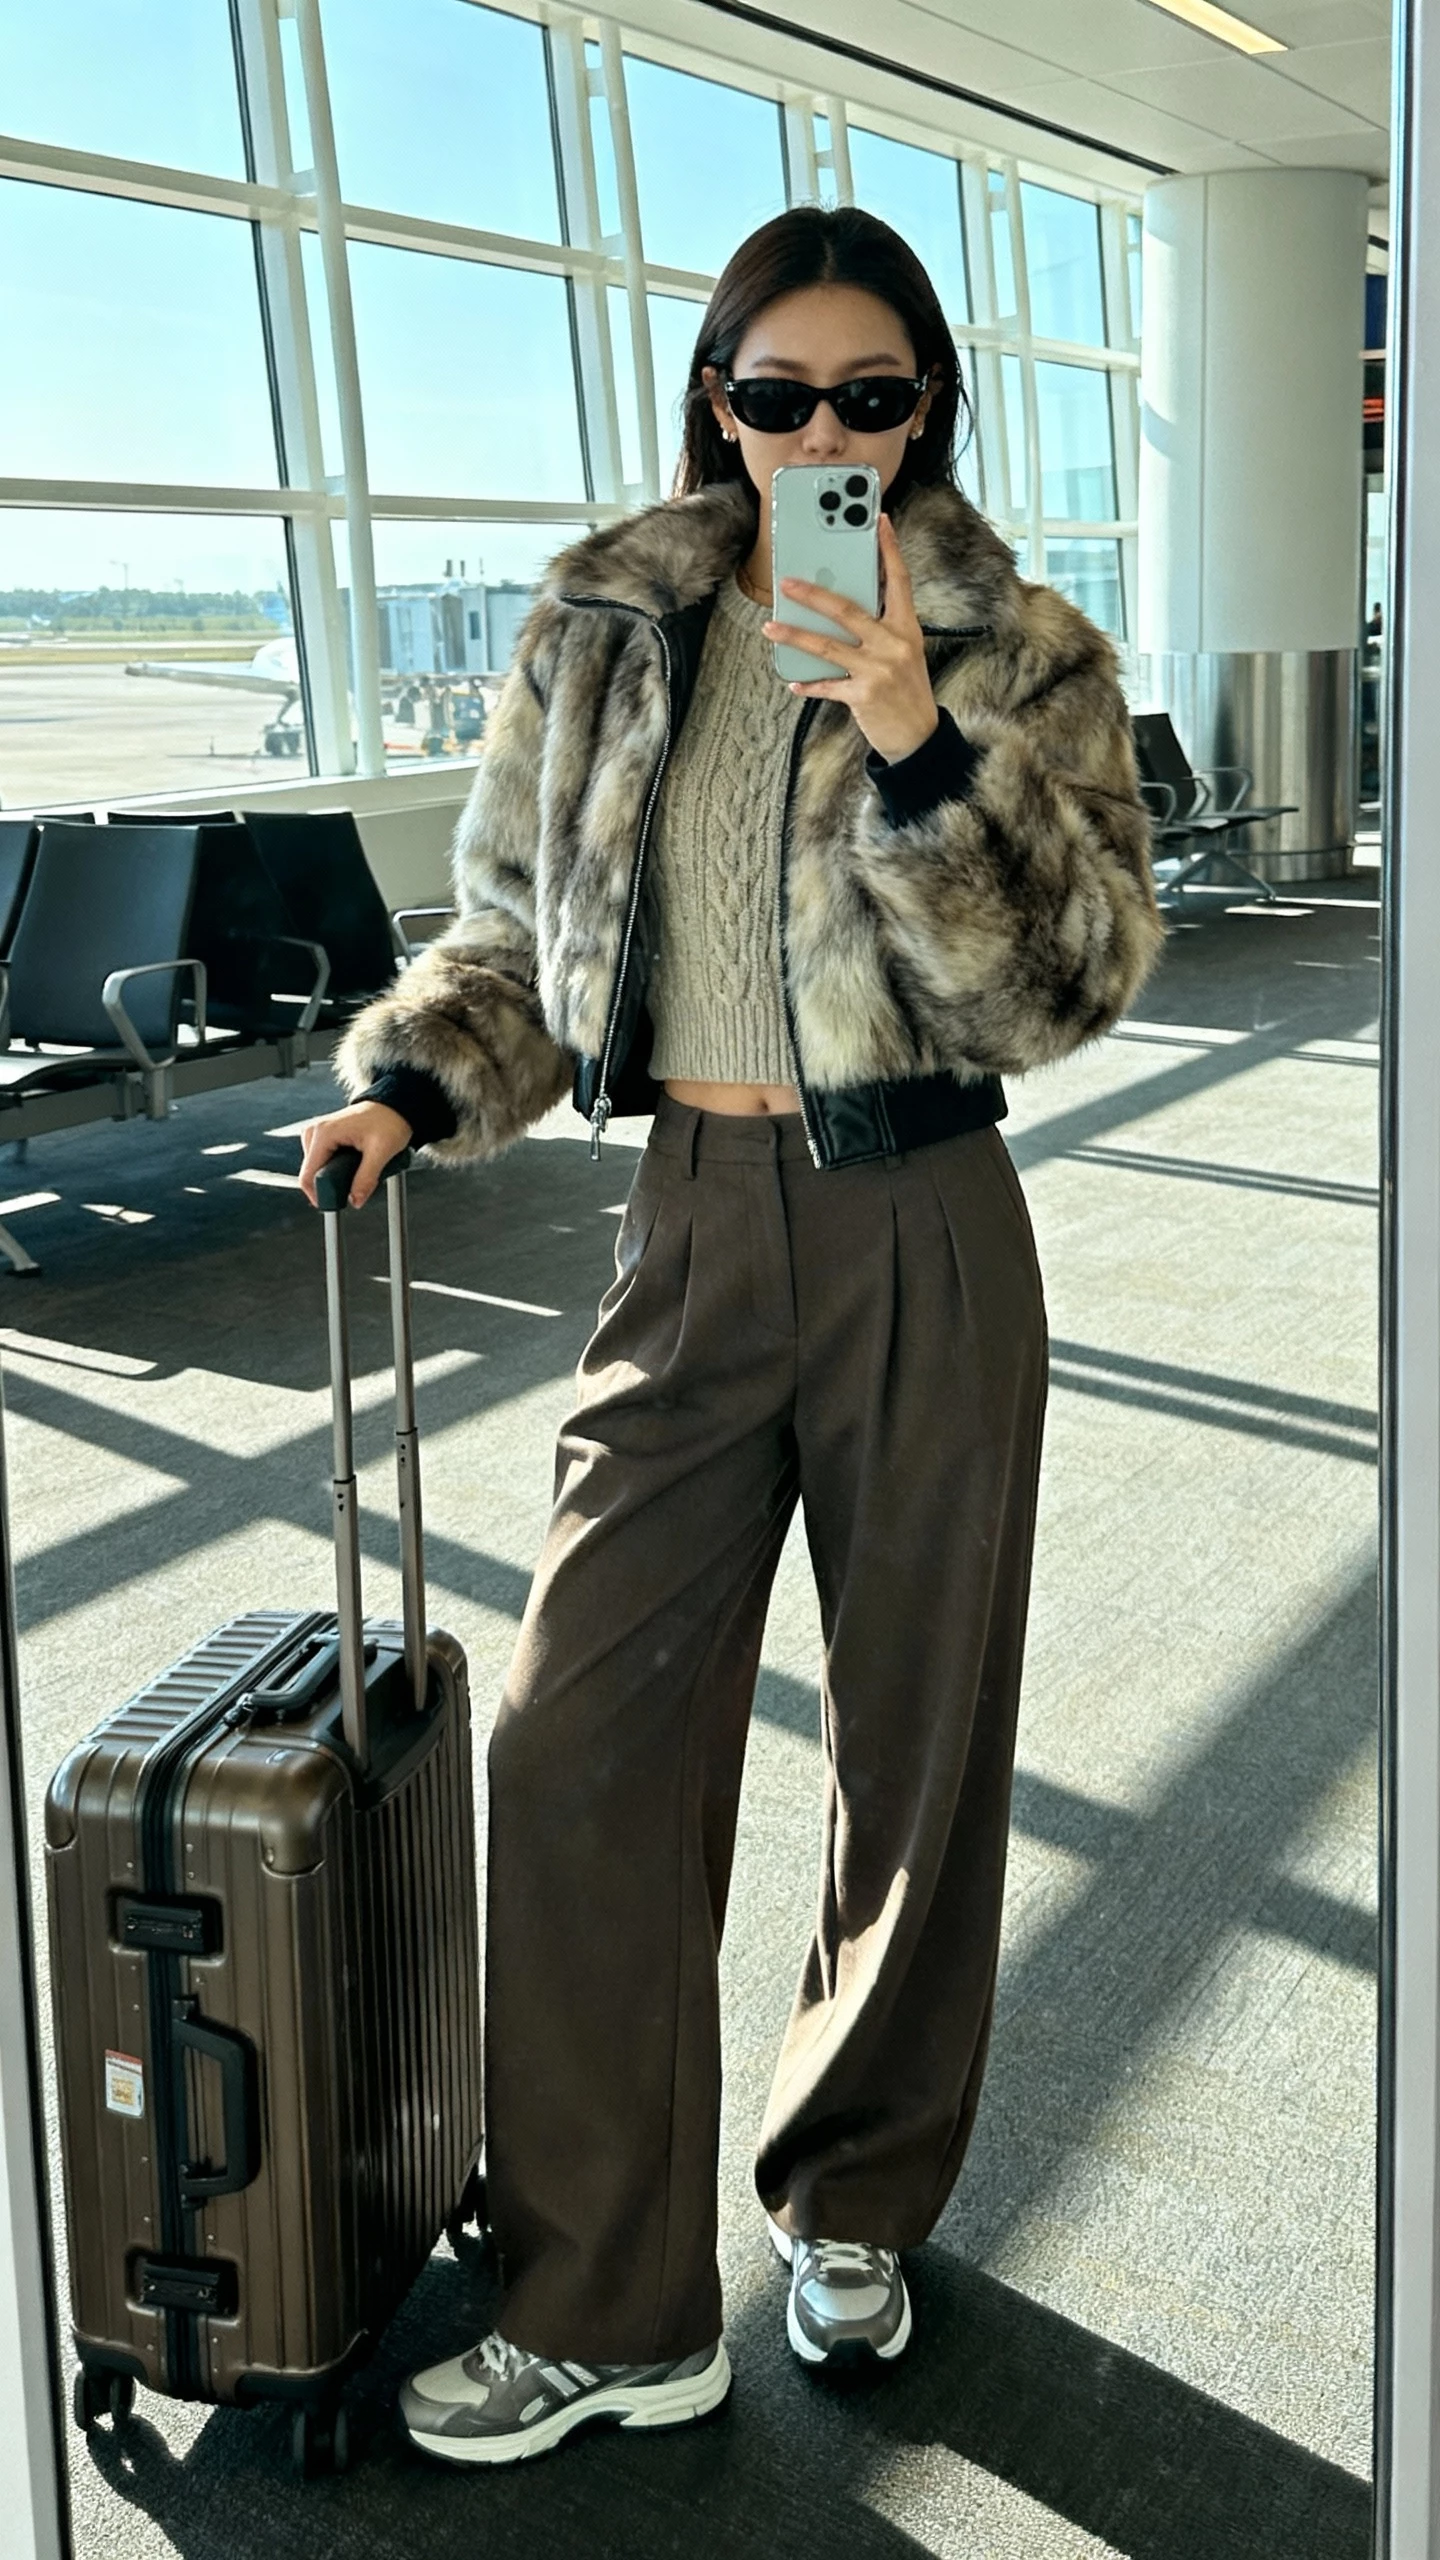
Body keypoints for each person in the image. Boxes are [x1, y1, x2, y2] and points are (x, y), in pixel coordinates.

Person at [299, 204, 1161, 2469]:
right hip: (681, 1223)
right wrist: (412, 1078)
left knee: (917, 1745)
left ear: (926, 411)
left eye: (869, 400)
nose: (819, 436)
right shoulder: (598, 625)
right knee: (575, 1741)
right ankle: (605, 2291)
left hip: (926, 1223)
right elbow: (514, 929)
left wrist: (908, 740)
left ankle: (856, 2192)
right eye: (775, 394)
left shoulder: (1019, 648)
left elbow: (1065, 984)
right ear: (714, 396)